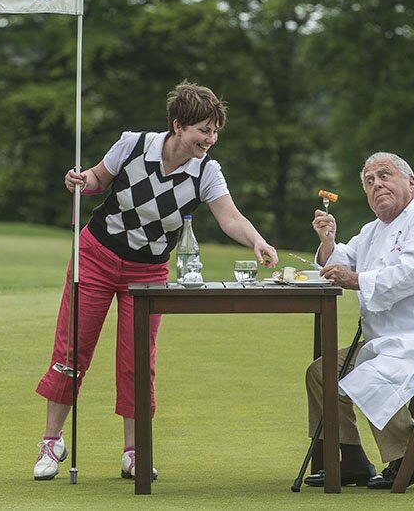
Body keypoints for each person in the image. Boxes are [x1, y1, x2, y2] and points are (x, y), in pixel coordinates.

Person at [33, 81, 279, 481]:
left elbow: (230, 217)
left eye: (215, 131)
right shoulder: (132, 145)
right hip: (94, 256)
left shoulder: (206, 171)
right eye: (204, 129)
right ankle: (50, 442)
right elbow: (97, 179)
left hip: (147, 271)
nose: (210, 139)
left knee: (137, 361)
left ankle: (135, 451)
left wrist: (257, 240)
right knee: (72, 349)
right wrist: (80, 181)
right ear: (178, 125)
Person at [302, 152, 414, 490]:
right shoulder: (372, 231)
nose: (377, 184)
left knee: (370, 373)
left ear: (411, 182)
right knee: (322, 372)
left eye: (385, 175)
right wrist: (327, 241)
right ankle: (352, 461)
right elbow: (340, 260)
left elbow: (411, 273)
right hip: (390, 341)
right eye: (369, 181)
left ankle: (412, 457)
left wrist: (355, 280)